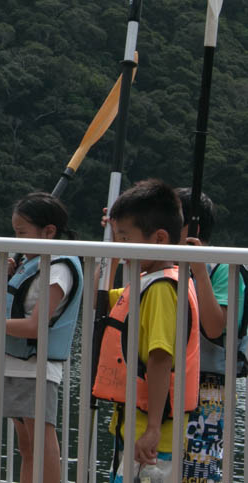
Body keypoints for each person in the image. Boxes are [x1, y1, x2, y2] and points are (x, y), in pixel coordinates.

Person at [92, 179, 200, 482]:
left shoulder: (163, 288)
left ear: (160, 237)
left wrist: (153, 428)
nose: (121, 245)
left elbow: (160, 358)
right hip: (135, 428)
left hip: (152, 437)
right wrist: (110, 249)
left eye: (125, 237)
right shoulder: (146, 282)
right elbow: (99, 301)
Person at [0, 192, 83, 483]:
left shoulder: (58, 268)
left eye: (22, 233)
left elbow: (36, 326)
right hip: (15, 364)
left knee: (42, 443)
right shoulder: (31, 263)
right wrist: (6, 278)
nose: (17, 239)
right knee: (26, 445)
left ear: (49, 232)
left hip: (35, 368)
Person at [178, 188, 248, 482]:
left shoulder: (222, 268)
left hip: (208, 384)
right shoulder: (159, 265)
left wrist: (198, 270)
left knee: (198, 470)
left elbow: (214, 327)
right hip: (165, 378)